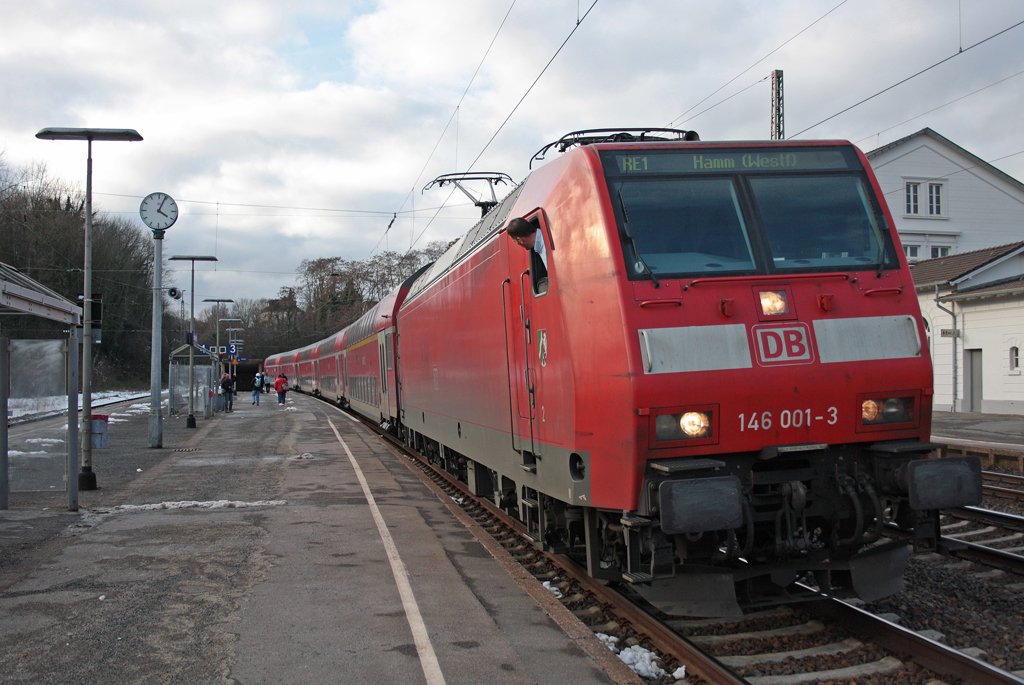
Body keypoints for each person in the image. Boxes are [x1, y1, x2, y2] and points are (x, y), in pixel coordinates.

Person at [507, 217, 548, 291]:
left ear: (519, 240)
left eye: (514, 241)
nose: (517, 244)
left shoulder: (545, 245)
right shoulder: (543, 240)